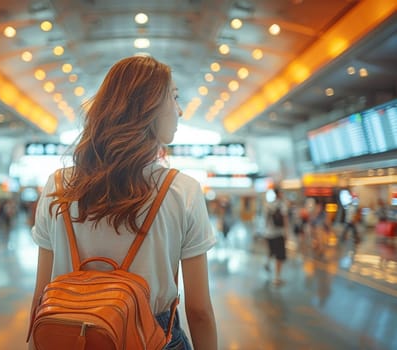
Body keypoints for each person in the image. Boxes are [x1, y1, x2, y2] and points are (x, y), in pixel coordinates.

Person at [28, 56, 218, 350]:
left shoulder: (59, 186)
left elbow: (42, 295)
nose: (180, 111)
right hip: (153, 338)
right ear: (149, 106)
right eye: (175, 97)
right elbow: (199, 311)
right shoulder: (183, 190)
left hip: (68, 336)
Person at [263, 188, 289, 286]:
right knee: (279, 256)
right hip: (278, 234)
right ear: (279, 194)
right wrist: (286, 233)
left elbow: (265, 220)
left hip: (268, 233)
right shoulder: (282, 205)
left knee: (271, 250)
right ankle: (277, 278)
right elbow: (285, 219)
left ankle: (267, 262)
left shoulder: (268, 205)